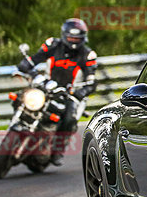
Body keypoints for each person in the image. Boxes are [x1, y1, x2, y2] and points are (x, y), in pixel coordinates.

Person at [17, 18, 97, 165]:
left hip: (71, 94)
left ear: (83, 38)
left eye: (76, 38)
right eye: (71, 37)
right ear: (64, 35)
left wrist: (81, 92)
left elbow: (91, 82)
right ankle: (17, 124)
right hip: (47, 87)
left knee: (69, 118)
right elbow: (35, 59)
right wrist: (26, 65)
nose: (73, 40)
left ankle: (57, 150)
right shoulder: (53, 45)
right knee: (21, 97)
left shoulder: (87, 55)